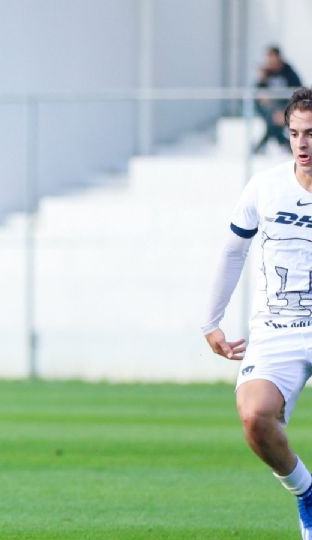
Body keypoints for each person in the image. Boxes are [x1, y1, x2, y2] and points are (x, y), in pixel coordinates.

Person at [204, 87, 312, 538]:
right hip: (277, 329)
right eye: (295, 133)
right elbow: (233, 253)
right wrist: (212, 320)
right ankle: (307, 495)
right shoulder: (265, 187)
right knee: (254, 417)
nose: (303, 143)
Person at [254, 46, 302, 153]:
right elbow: (257, 94)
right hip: (269, 109)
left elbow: (298, 94)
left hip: (284, 108)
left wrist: (285, 112)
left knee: (272, 121)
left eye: (273, 60)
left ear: (279, 58)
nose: (271, 63)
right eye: (269, 60)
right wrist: (262, 80)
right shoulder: (266, 73)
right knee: (271, 118)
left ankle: (261, 146)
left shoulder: (289, 72)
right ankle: (285, 144)